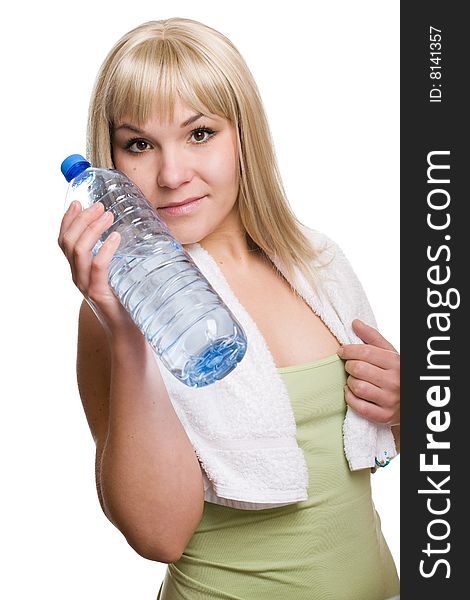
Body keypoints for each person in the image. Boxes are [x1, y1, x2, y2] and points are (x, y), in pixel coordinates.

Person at [58, 18, 400, 600]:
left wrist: (406, 403)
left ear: (244, 134)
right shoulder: (118, 311)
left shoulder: (318, 263)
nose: (170, 175)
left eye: (199, 134)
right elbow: (159, 535)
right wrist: (127, 334)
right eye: (139, 144)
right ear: (109, 161)